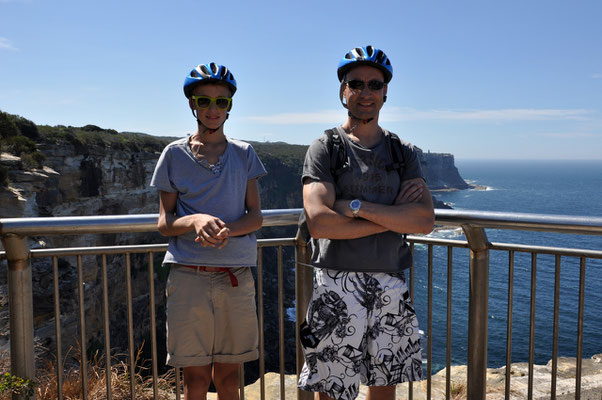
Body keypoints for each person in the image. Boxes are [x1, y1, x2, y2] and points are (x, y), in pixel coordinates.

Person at [297, 46, 435, 400]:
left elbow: (423, 220)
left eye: (374, 84)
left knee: (384, 384)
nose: (365, 92)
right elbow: (319, 222)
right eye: (355, 83)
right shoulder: (326, 147)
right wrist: (391, 219)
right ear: (343, 91)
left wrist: (355, 207)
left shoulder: (401, 151)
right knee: (330, 387)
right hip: (336, 279)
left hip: (390, 279)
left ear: (386, 92)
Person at [150, 62, 266, 400]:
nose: (213, 109)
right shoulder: (173, 154)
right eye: (204, 101)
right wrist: (196, 220)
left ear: (230, 106)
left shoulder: (244, 154)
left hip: (235, 274)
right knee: (196, 381)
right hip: (189, 277)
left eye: (221, 102)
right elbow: (164, 222)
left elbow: (255, 216)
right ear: (192, 105)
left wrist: (223, 229)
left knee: (230, 379)